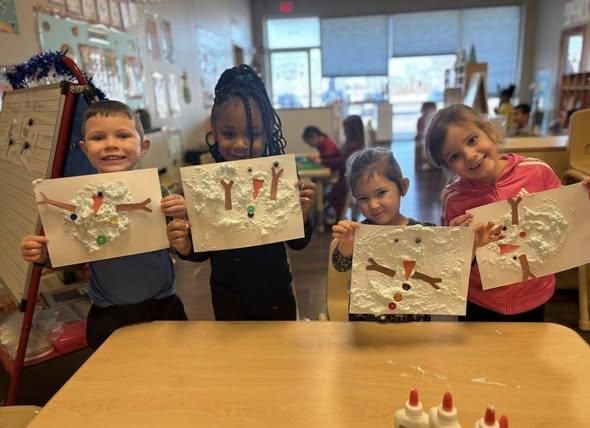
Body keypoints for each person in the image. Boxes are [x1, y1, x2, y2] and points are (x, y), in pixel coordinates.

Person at [20, 100, 188, 350]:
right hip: (108, 314)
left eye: (122, 135)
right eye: (98, 138)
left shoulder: (159, 193)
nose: (111, 144)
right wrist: (45, 256)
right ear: (84, 148)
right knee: (115, 380)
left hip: (162, 304)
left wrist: (183, 218)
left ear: (142, 146)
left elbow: (183, 247)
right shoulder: (76, 197)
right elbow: (74, 258)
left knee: (177, 370)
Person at [166, 64, 316, 321]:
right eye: (228, 133)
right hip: (227, 298)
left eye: (254, 134)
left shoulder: (278, 176)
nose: (240, 144)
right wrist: (184, 245)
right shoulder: (206, 183)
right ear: (213, 129)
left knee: (280, 357)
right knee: (234, 359)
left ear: (267, 132)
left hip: (276, 293)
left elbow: (298, 243)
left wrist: (302, 215)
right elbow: (202, 251)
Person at [425, 104, 564, 322]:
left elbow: (565, 220)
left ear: (490, 131)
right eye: (454, 156)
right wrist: (458, 240)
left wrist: (583, 200)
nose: (470, 155)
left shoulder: (537, 171)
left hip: (534, 294)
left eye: (472, 140)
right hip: (480, 300)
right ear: (448, 167)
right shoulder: (453, 199)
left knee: (529, 353)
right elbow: (451, 261)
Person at [330, 147, 435, 322]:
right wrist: (347, 245)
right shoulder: (358, 234)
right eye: (363, 198)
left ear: (403, 187)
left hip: (414, 327)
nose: (373, 205)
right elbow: (340, 265)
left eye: (381, 193)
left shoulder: (424, 232)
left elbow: (446, 267)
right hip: (366, 325)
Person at [327, 115, 365, 222]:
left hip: (346, 183)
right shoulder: (350, 144)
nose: (344, 132)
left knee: (331, 195)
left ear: (352, 131)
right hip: (344, 179)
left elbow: (341, 162)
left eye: (346, 130)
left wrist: (323, 160)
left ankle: (333, 219)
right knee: (330, 194)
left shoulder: (355, 147)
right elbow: (338, 156)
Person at [415, 101, 437, 171]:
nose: (430, 111)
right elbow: (420, 132)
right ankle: (426, 162)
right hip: (425, 138)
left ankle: (436, 163)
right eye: (428, 109)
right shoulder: (420, 120)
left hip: (434, 137)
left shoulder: (436, 118)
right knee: (425, 143)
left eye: (432, 109)